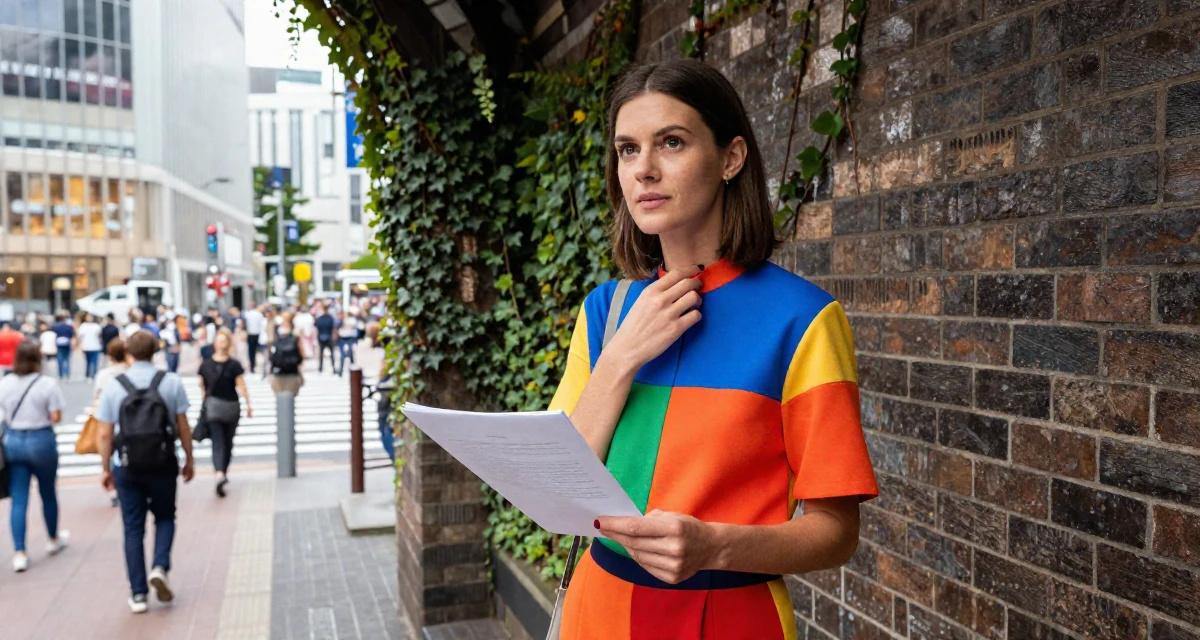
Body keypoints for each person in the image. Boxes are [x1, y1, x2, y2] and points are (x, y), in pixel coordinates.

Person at [549, 60, 877, 638]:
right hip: (595, 610)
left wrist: (713, 545)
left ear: (731, 158)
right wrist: (621, 356)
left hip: (728, 618)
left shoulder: (803, 320)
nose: (644, 170)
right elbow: (555, 490)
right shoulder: (605, 312)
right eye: (627, 150)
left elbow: (836, 531)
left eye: (670, 143)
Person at [94, 331, 195, 614]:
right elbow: (183, 425)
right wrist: (189, 458)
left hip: (127, 465)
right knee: (165, 516)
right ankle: (160, 566)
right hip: (163, 462)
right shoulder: (170, 381)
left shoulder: (114, 386)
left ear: (128, 352)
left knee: (133, 528)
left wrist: (105, 467)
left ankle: (138, 594)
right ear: (155, 351)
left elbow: (104, 432)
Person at [0, 340, 69, 572]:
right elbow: (56, 416)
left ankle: (20, 552)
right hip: (41, 439)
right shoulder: (47, 384)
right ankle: (52, 539)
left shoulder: (5, 383)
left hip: (14, 441)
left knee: (18, 498)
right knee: (48, 492)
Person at [197, 328, 251, 498]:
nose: (222, 344)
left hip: (229, 407)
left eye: (224, 341)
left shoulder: (232, 365)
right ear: (215, 344)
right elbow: (202, 386)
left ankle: (221, 471)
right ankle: (221, 473)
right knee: (220, 441)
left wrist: (249, 404)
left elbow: (241, 385)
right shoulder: (207, 365)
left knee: (225, 441)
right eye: (220, 341)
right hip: (216, 406)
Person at [91, 338, 129, 506]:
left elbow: (96, 398)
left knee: (109, 449)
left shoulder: (103, 375)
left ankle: (113, 485)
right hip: (130, 418)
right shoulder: (131, 371)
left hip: (107, 418)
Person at [268, 311, 306, 395]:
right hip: (293, 371)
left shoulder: (276, 331)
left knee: (279, 398)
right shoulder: (296, 333)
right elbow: (302, 354)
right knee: (291, 398)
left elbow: (270, 350)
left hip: (278, 370)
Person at [78, 313, 103, 383]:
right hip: (90, 346)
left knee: (91, 362)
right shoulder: (94, 326)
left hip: (91, 346)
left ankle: (91, 375)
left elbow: (80, 336)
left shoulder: (85, 326)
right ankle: (90, 375)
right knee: (91, 362)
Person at [51, 312, 76, 380]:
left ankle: (60, 374)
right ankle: (67, 373)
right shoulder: (68, 326)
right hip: (67, 342)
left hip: (58, 343)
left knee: (60, 359)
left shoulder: (55, 326)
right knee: (67, 359)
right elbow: (71, 335)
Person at [242, 303, 265, 374]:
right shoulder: (259, 314)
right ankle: (257, 366)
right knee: (258, 351)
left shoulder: (248, 314)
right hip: (257, 334)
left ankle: (253, 366)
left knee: (251, 352)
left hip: (252, 334)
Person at [313, 305, 337, 374]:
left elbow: (316, 326)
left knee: (321, 354)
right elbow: (333, 327)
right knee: (331, 354)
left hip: (321, 337)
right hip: (328, 337)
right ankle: (333, 368)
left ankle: (320, 368)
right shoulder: (330, 318)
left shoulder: (320, 318)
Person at [336, 310, 359, 376]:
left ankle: (353, 370)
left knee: (349, 353)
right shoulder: (341, 320)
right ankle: (341, 370)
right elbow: (337, 327)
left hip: (349, 337)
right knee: (343, 355)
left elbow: (354, 327)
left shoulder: (351, 320)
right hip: (343, 338)